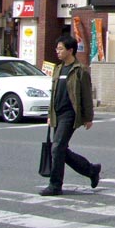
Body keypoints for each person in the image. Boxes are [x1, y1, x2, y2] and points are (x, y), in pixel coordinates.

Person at [40, 35, 100, 196]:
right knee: (60, 150)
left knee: (58, 147)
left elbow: (86, 95)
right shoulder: (58, 69)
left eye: (60, 49)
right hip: (57, 114)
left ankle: (55, 185)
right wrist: (49, 114)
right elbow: (54, 94)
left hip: (70, 114)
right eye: (57, 48)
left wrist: (88, 117)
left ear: (70, 50)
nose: (57, 51)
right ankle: (91, 170)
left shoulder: (80, 70)